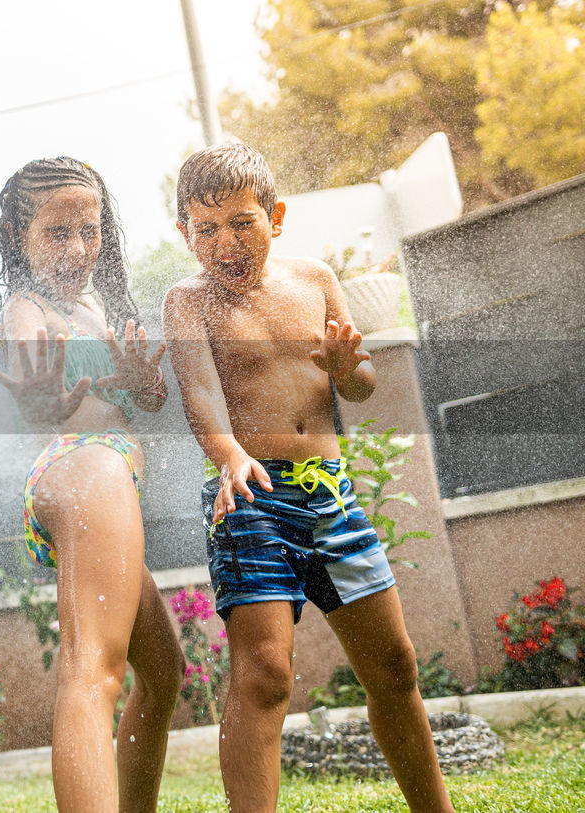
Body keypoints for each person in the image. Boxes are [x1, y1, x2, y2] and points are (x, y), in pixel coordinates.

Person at [162, 140, 455, 812]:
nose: (224, 243)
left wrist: (348, 367)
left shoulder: (317, 280)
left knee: (393, 666)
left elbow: (361, 385)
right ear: (184, 233)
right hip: (253, 502)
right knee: (264, 673)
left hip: (332, 502)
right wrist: (231, 456)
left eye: (241, 221)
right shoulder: (189, 303)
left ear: (277, 216)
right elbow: (201, 396)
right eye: (205, 229)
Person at [0, 157, 185, 813]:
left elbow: (148, 401)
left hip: (106, 481)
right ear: (18, 235)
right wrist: (40, 399)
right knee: (91, 668)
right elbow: (35, 395)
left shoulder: (100, 306)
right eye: (58, 232)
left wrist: (142, 384)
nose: (78, 248)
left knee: (163, 671)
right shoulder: (28, 309)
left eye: (90, 230)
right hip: (81, 468)